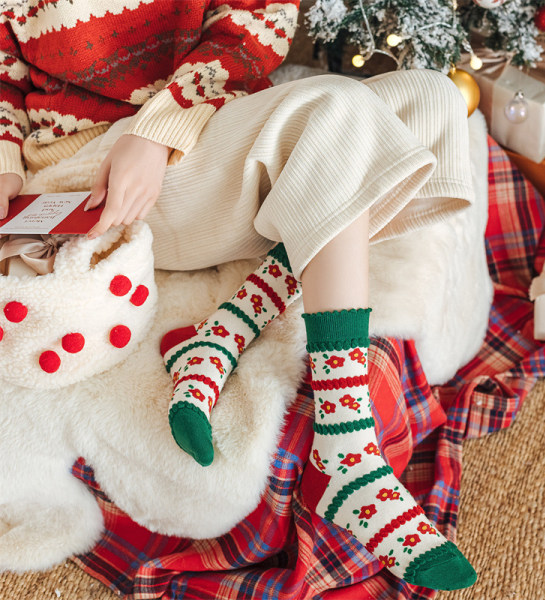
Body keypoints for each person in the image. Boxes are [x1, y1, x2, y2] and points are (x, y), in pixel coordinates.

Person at [0, 0, 476, 591]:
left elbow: (260, 22)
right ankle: (348, 445)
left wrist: (157, 129)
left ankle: (227, 329)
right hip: (91, 171)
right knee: (339, 111)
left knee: (433, 99)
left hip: (188, 131)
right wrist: (4, 170)